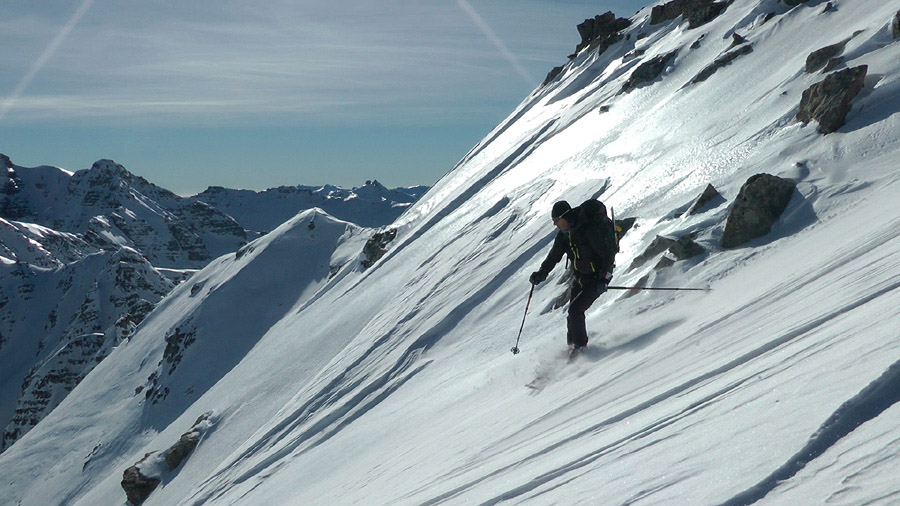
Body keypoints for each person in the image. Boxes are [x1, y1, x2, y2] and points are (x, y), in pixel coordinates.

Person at [529, 200, 614, 350]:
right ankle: (572, 346)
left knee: (575, 311)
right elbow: (553, 256)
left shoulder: (588, 230)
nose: (555, 224)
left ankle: (580, 348)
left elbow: (607, 254)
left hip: (597, 278)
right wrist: (541, 273)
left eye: (556, 220)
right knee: (572, 313)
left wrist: (604, 278)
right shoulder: (563, 235)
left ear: (565, 217)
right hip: (581, 277)